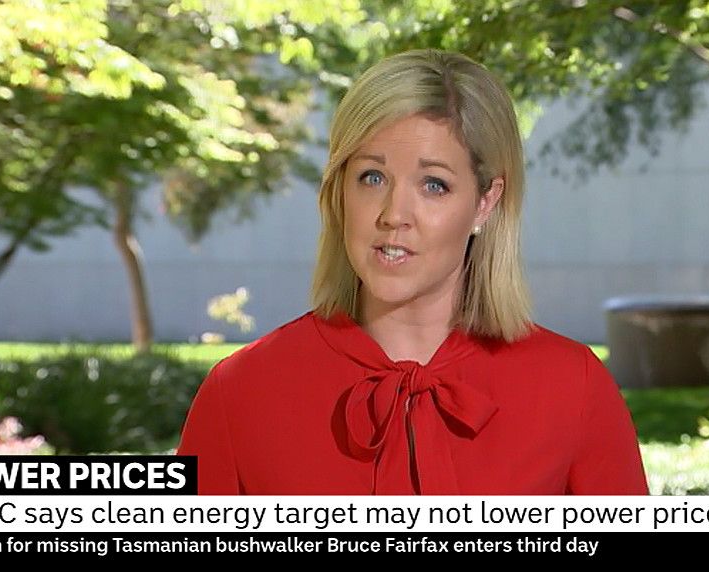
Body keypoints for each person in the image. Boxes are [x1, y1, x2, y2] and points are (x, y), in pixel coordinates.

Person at [176, 49, 648, 495]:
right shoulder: (239, 392)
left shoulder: (574, 387)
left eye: (433, 185)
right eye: (372, 177)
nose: (394, 215)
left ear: (485, 202)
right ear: (340, 192)